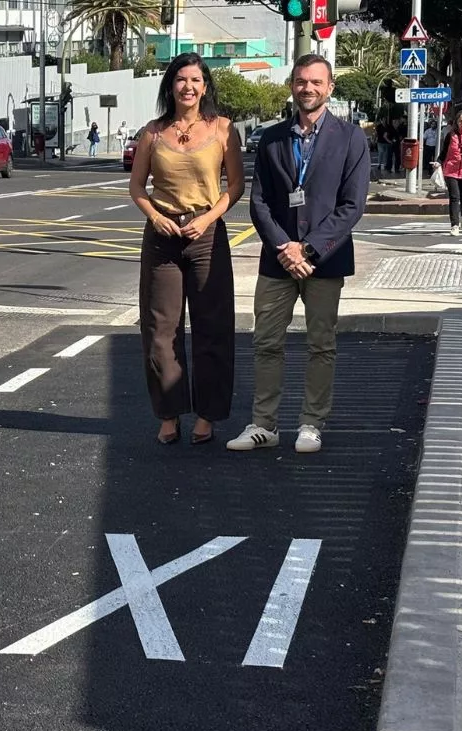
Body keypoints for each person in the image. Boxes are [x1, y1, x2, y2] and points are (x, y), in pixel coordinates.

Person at [227, 53, 369, 455]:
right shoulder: (272, 137)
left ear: (330, 88)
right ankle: (264, 425)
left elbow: (352, 205)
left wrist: (306, 248)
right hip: (278, 260)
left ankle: (311, 423)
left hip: (325, 258)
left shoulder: (350, 138)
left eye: (316, 82)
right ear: (292, 85)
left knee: (320, 344)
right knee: (266, 342)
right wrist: (284, 248)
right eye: (301, 81)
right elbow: (260, 203)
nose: (308, 88)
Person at [129, 51, 246, 446]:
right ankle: (168, 413)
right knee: (161, 329)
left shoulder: (224, 130)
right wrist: (154, 216)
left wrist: (208, 218)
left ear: (205, 86)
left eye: (195, 80)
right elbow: (136, 187)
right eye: (181, 80)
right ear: (171, 86)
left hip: (206, 234)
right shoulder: (152, 132)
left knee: (213, 327)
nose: (188, 87)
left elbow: (235, 187)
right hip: (162, 236)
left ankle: (208, 415)